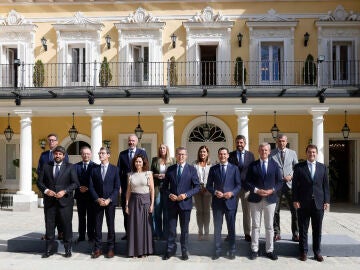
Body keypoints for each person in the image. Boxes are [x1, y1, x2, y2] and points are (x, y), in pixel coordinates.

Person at [37, 146, 79, 258]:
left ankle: (67, 249)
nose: (58, 156)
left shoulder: (70, 167)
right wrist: (46, 190)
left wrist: (64, 191)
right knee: (49, 226)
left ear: (64, 156)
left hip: (65, 202)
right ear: (53, 155)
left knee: (66, 226)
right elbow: (39, 182)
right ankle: (49, 250)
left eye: (60, 154)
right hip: (50, 202)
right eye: (56, 154)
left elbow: (75, 183)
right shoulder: (46, 166)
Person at [293, 144, 330, 262]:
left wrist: (327, 201)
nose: (311, 154)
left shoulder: (323, 167)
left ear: (317, 154)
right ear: (306, 153)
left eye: (314, 152)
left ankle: (317, 252)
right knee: (303, 229)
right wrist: (295, 200)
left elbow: (326, 187)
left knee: (317, 229)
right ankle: (303, 252)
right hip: (303, 203)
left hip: (318, 203)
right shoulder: (299, 167)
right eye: (309, 152)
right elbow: (295, 186)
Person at [162, 146, 200, 261]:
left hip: (185, 204)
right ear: (176, 156)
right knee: (171, 229)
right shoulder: (170, 169)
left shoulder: (192, 169)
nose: (181, 156)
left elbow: (197, 187)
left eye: (183, 154)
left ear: (186, 156)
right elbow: (164, 188)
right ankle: (170, 250)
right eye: (179, 154)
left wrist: (186, 195)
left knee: (184, 230)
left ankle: (184, 251)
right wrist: (169, 194)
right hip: (172, 204)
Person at [246, 142, 282, 260]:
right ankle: (254, 250)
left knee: (269, 226)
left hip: (270, 199)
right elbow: (247, 182)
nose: (264, 152)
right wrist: (256, 190)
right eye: (261, 150)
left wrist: (272, 190)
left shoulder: (275, 165)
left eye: (266, 150)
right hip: (255, 199)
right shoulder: (253, 165)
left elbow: (279, 182)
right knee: (255, 226)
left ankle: (269, 250)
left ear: (269, 151)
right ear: (258, 151)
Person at [206, 147, 241, 260]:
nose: (222, 156)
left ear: (228, 156)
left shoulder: (234, 168)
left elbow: (238, 185)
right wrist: (215, 192)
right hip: (217, 202)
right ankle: (217, 250)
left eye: (224, 154)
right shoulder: (213, 169)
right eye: (220, 154)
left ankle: (232, 250)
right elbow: (209, 186)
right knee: (217, 228)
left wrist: (232, 193)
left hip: (230, 202)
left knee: (231, 228)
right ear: (218, 155)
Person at [89, 147, 120, 259]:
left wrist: (108, 199)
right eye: (99, 153)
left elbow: (117, 187)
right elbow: (91, 187)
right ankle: (98, 249)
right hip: (98, 203)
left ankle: (111, 248)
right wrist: (98, 199)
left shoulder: (115, 169)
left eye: (103, 153)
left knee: (110, 226)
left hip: (110, 203)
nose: (100, 155)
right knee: (97, 227)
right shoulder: (94, 170)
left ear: (108, 155)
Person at [37, 133, 69, 240]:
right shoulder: (44, 155)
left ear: (57, 141)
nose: (51, 142)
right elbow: (40, 170)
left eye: (53, 140)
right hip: (48, 189)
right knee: (48, 214)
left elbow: (66, 171)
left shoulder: (64, 154)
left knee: (60, 213)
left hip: (60, 190)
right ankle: (48, 234)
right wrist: (45, 189)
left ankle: (61, 232)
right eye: (49, 140)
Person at [117, 134, 148, 240]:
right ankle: (128, 233)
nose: (131, 142)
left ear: (136, 141)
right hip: (126, 187)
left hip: (139, 187)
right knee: (126, 211)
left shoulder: (142, 152)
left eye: (133, 141)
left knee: (139, 211)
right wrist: (119, 186)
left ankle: (139, 233)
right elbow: (118, 171)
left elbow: (146, 167)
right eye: (130, 141)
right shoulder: (122, 154)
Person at [270, 134, 299, 242]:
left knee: (294, 210)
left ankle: (296, 233)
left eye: (283, 141)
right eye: (279, 141)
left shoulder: (292, 153)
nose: (281, 143)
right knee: (275, 210)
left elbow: (297, 168)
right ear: (276, 142)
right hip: (277, 186)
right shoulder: (271, 153)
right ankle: (277, 233)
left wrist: (291, 176)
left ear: (286, 142)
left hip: (290, 185)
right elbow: (270, 168)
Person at [126, 154, 154, 257]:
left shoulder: (148, 173)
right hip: (133, 202)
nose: (138, 163)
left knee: (145, 227)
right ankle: (134, 251)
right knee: (134, 227)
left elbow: (152, 190)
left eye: (140, 161)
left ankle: (144, 251)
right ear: (134, 163)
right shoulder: (130, 175)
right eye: (136, 161)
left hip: (145, 202)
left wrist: (152, 204)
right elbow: (128, 191)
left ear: (143, 163)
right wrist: (126, 205)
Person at [228, 135, 255, 242]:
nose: (239, 144)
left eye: (241, 142)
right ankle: (231, 233)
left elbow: (253, 171)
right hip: (233, 188)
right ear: (235, 143)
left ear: (245, 143)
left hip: (246, 188)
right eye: (238, 142)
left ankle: (247, 233)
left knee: (247, 212)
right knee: (231, 211)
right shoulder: (231, 155)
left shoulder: (250, 155)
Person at [150, 144, 175, 240]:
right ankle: (157, 233)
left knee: (167, 211)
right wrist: (157, 175)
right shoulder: (155, 160)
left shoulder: (172, 160)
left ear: (167, 149)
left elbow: (173, 173)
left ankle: (166, 234)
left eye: (163, 148)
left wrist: (166, 176)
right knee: (157, 210)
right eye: (160, 148)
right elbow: (151, 172)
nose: (162, 149)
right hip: (157, 186)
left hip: (167, 187)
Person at [74, 146, 96, 242]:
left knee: (91, 217)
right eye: (84, 153)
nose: (86, 155)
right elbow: (73, 179)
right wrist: (79, 187)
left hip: (91, 196)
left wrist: (89, 188)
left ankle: (91, 236)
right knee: (81, 217)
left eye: (87, 153)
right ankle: (81, 236)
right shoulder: (75, 166)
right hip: (80, 195)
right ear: (81, 155)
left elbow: (96, 181)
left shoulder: (95, 166)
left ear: (90, 155)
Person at [193, 145, 212, 241]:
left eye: (204, 151)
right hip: (197, 190)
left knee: (207, 212)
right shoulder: (194, 164)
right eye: (201, 152)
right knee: (199, 212)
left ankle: (207, 232)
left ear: (207, 153)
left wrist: (206, 187)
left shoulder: (211, 165)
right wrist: (198, 187)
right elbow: (193, 177)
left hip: (207, 191)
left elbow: (212, 179)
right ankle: (200, 232)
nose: (202, 153)